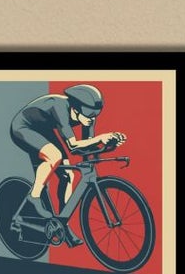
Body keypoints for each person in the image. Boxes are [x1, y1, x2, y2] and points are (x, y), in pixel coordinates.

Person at [8, 84, 123, 226]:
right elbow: (73, 146)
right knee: (54, 156)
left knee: (68, 174)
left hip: (44, 129)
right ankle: (34, 196)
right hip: (23, 127)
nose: (91, 119)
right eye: (88, 114)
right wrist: (99, 139)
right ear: (75, 108)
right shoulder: (59, 107)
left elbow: (87, 150)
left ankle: (63, 221)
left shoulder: (87, 117)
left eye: (95, 114)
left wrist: (108, 145)